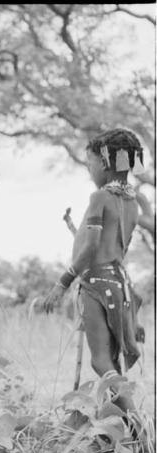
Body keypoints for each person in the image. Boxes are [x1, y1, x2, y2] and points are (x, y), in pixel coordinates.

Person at [43, 128, 146, 419]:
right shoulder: (133, 203)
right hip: (120, 284)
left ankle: (140, 427)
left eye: (90, 164)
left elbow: (90, 251)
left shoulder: (99, 197)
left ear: (104, 163)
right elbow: (108, 246)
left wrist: (61, 284)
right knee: (113, 362)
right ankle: (116, 427)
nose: (89, 170)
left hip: (97, 287)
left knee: (101, 363)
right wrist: (74, 228)